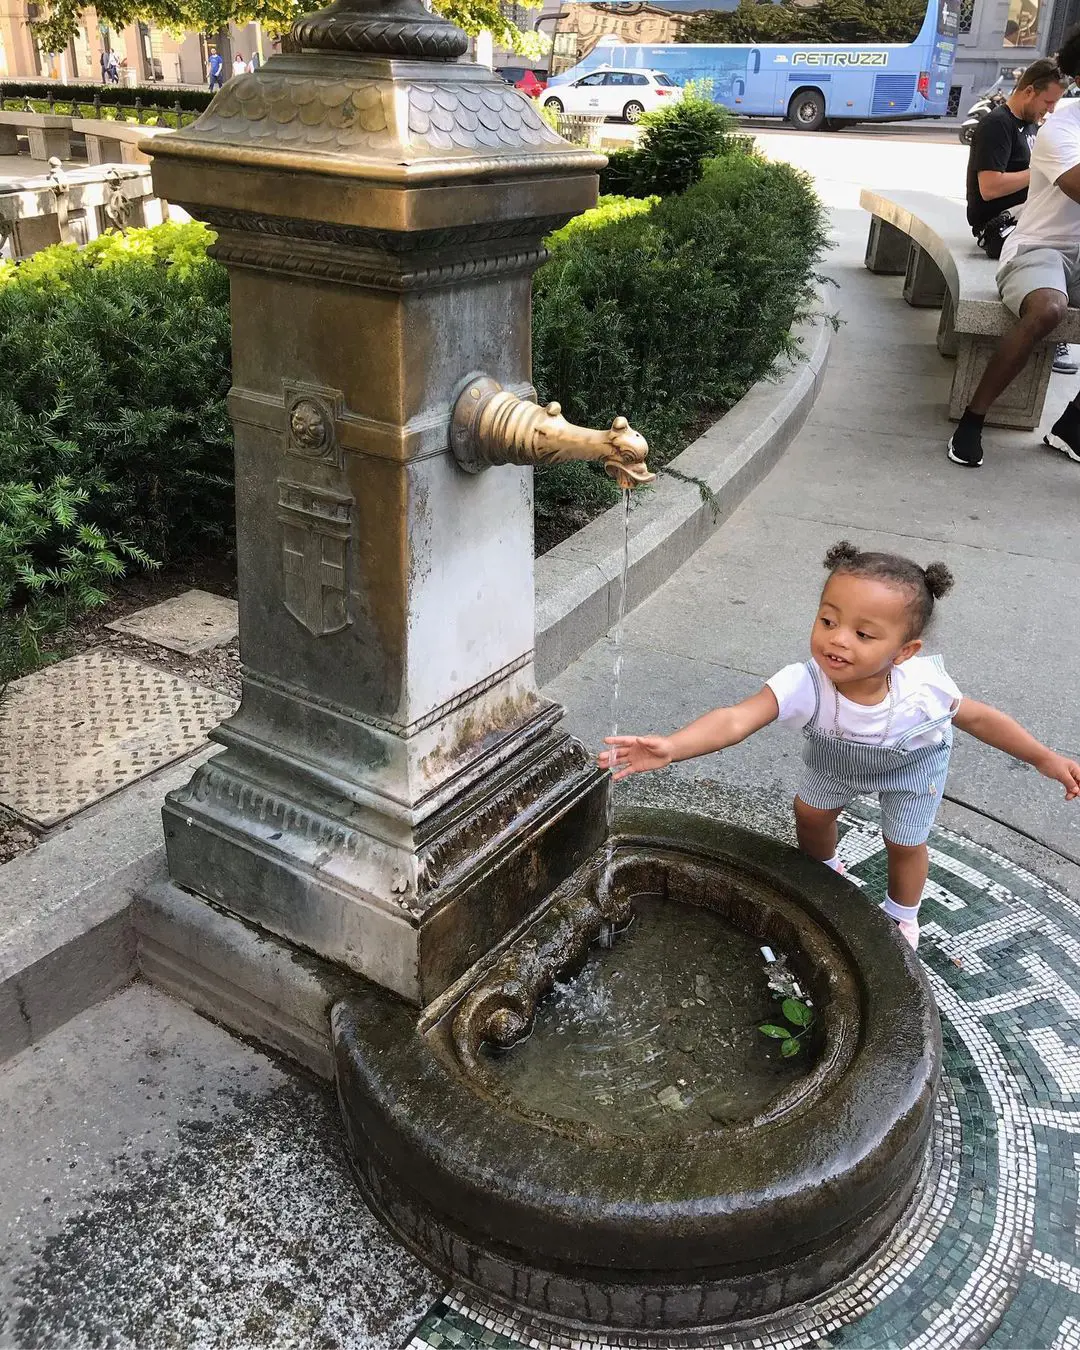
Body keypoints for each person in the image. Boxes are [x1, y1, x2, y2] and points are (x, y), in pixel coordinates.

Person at [600, 541, 1080, 951]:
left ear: (904, 651)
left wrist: (1044, 758)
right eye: (828, 620)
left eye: (863, 634)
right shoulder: (806, 682)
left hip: (914, 764)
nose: (838, 640)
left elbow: (980, 718)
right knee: (809, 813)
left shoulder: (923, 688)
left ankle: (901, 914)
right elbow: (736, 718)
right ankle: (825, 872)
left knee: (906, 840)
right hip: (836, 762)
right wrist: (672, 746)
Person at [950, 26, 1080, 467]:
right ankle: (972, 419)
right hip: (1038, 246)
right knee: (1047, 310)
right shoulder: (1062, 126)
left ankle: (1073, 426)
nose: (1049, 104)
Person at [966, 59, 1074, 375]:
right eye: (1048, 101)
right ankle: (1052, 335)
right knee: (1050, 258)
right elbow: (988, 188)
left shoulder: (1029, 125)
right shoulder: (997, 124)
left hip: (1018, 219)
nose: (1051, 110)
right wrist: (1042, 172)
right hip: (995, 226)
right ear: (1029, 91)